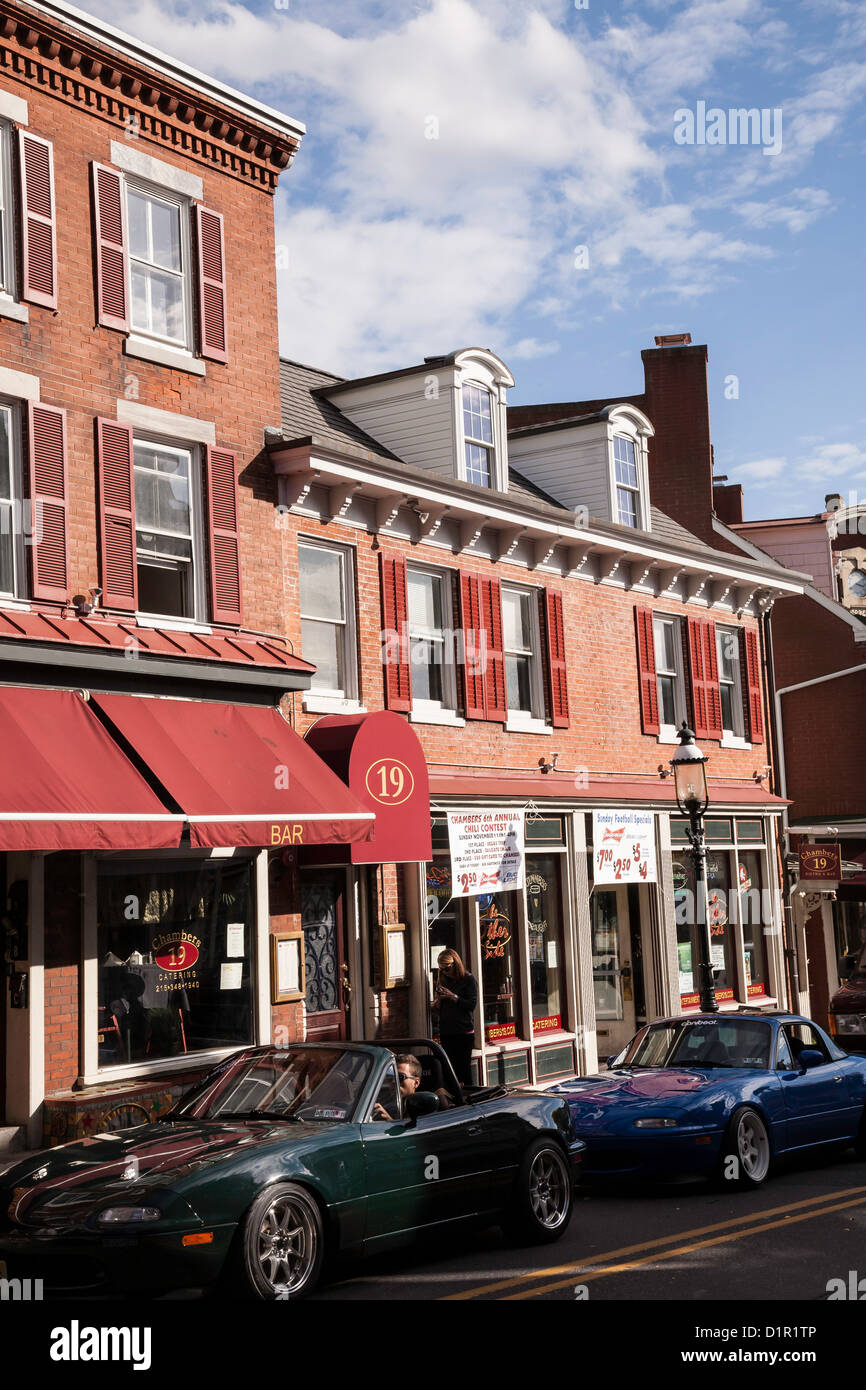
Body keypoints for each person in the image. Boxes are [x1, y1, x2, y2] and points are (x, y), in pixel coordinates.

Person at [431, 949, 478, 1087]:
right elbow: (437, 1009)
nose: (444, 972)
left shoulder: (468, 979)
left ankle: (468, 1099)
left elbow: (471, 1005)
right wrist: (438, 1001)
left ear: (455, 964)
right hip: (446, 1031)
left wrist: (453, 997)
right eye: (441, 969)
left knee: (464, 1070)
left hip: (463, 1032)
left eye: (447, 968)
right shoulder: (443, 979)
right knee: (449, 1070)